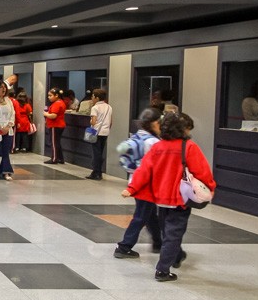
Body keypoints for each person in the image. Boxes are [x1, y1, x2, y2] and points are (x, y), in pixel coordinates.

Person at [121, 112, 216, 281]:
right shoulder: (189, 147)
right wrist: (210, 188)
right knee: (174, 233)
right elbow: (202, 172)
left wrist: (132, 188)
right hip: (180, 199)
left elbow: (144, 170)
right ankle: (163, 270)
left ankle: (177, 256)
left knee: (168, 231)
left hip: (162, 198)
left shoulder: (158, 147)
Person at [114, 108, 163, 259]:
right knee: (141, 215)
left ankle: (158, 242)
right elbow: (156, 165)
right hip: (147, 184)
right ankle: (124, 246)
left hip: (134, 181)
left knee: (149, 214)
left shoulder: (136, 136)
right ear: (154, 123)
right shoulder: (154, 142)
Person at [86, 88, 114, 180]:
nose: (92, 98)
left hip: (96, 132)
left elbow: (93, 122)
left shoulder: (95, 108)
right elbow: (110, 122)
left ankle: (96, 172)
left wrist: (91, 121)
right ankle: (98, 172)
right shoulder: (109, 107)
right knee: (100, 152)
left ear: (97, 98)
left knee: (96, 153)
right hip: (105, 132)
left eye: (93, 96)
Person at [44, 88, 67, 164]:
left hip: (55, 125)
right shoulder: (61, 102)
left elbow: (53, 115)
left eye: (50, 95)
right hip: (59, 125)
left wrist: (46, 114)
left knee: (54, 142)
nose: (49, 97)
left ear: (56, 95)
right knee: (57, 142)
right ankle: (60, 158)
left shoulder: (57, 104)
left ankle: (54, 159)